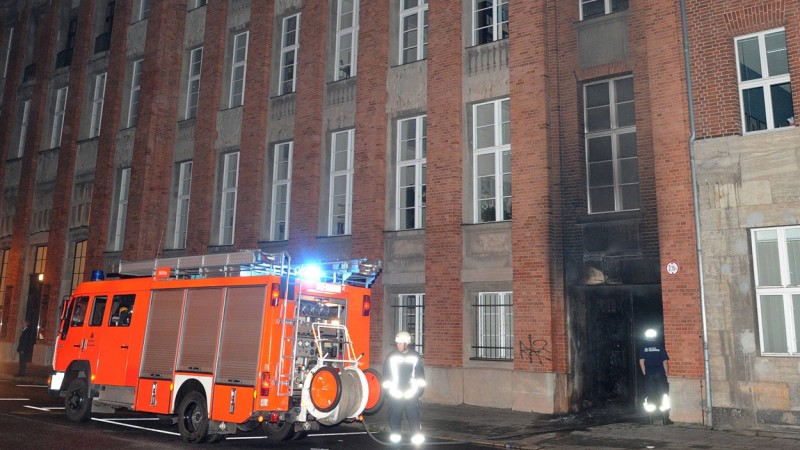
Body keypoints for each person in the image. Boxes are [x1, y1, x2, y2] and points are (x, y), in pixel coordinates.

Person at [382, 331, 426, 446]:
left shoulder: (415, 356)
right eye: (397, 343)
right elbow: (386, 376)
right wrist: (388, 392)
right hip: (395, 395)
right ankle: (395, 444)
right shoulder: (391, 357)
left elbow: (420, 376)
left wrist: (418, 392)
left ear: (407, 344)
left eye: (401, 343)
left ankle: (417, 444)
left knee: (414, 420)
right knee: (394, 420)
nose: (398, 345)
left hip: (411, 394)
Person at [638, 328, 672, 424]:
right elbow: (665, 362)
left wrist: (645, 373)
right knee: (664, 396)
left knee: (651, 395)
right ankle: (665, 419)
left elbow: (641, 362)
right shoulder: (660, 347)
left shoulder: (643, 348)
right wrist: (666, 373)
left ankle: (650, 419)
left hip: (650, 375)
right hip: (660, 374)